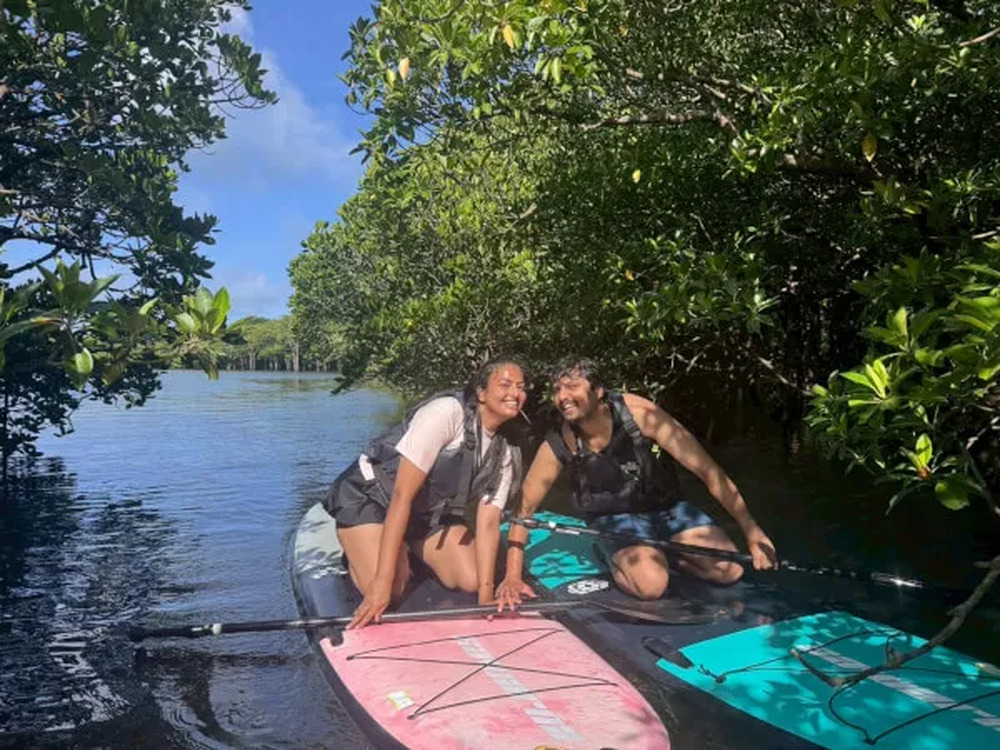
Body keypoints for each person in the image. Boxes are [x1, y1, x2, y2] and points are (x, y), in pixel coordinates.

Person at [496, 357, 777, 608]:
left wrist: (751, 530)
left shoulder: (643, 416)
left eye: (572, 387)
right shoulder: (561, 441)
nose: (562, 397)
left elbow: (708, 471)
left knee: (730, 570)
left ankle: (665, 552)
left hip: (668, 510)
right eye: (557, 390)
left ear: (598, 390)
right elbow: (524, 509)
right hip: (614, 520)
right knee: (651, 586)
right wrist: (512, 576)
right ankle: (613, 553)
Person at [326, 357, 528, 628]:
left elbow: (489, 520)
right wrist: (381, 584)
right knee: (392, 591)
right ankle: (359, 551)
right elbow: (401, 496)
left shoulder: (506, 449)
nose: (515, 393)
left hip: (427, 513)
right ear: (481, 392)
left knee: (473, 578)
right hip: (371, 498)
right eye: (505, 385)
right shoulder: (446, 413)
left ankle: (406, 548)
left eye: (521, 387)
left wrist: (486, 596)